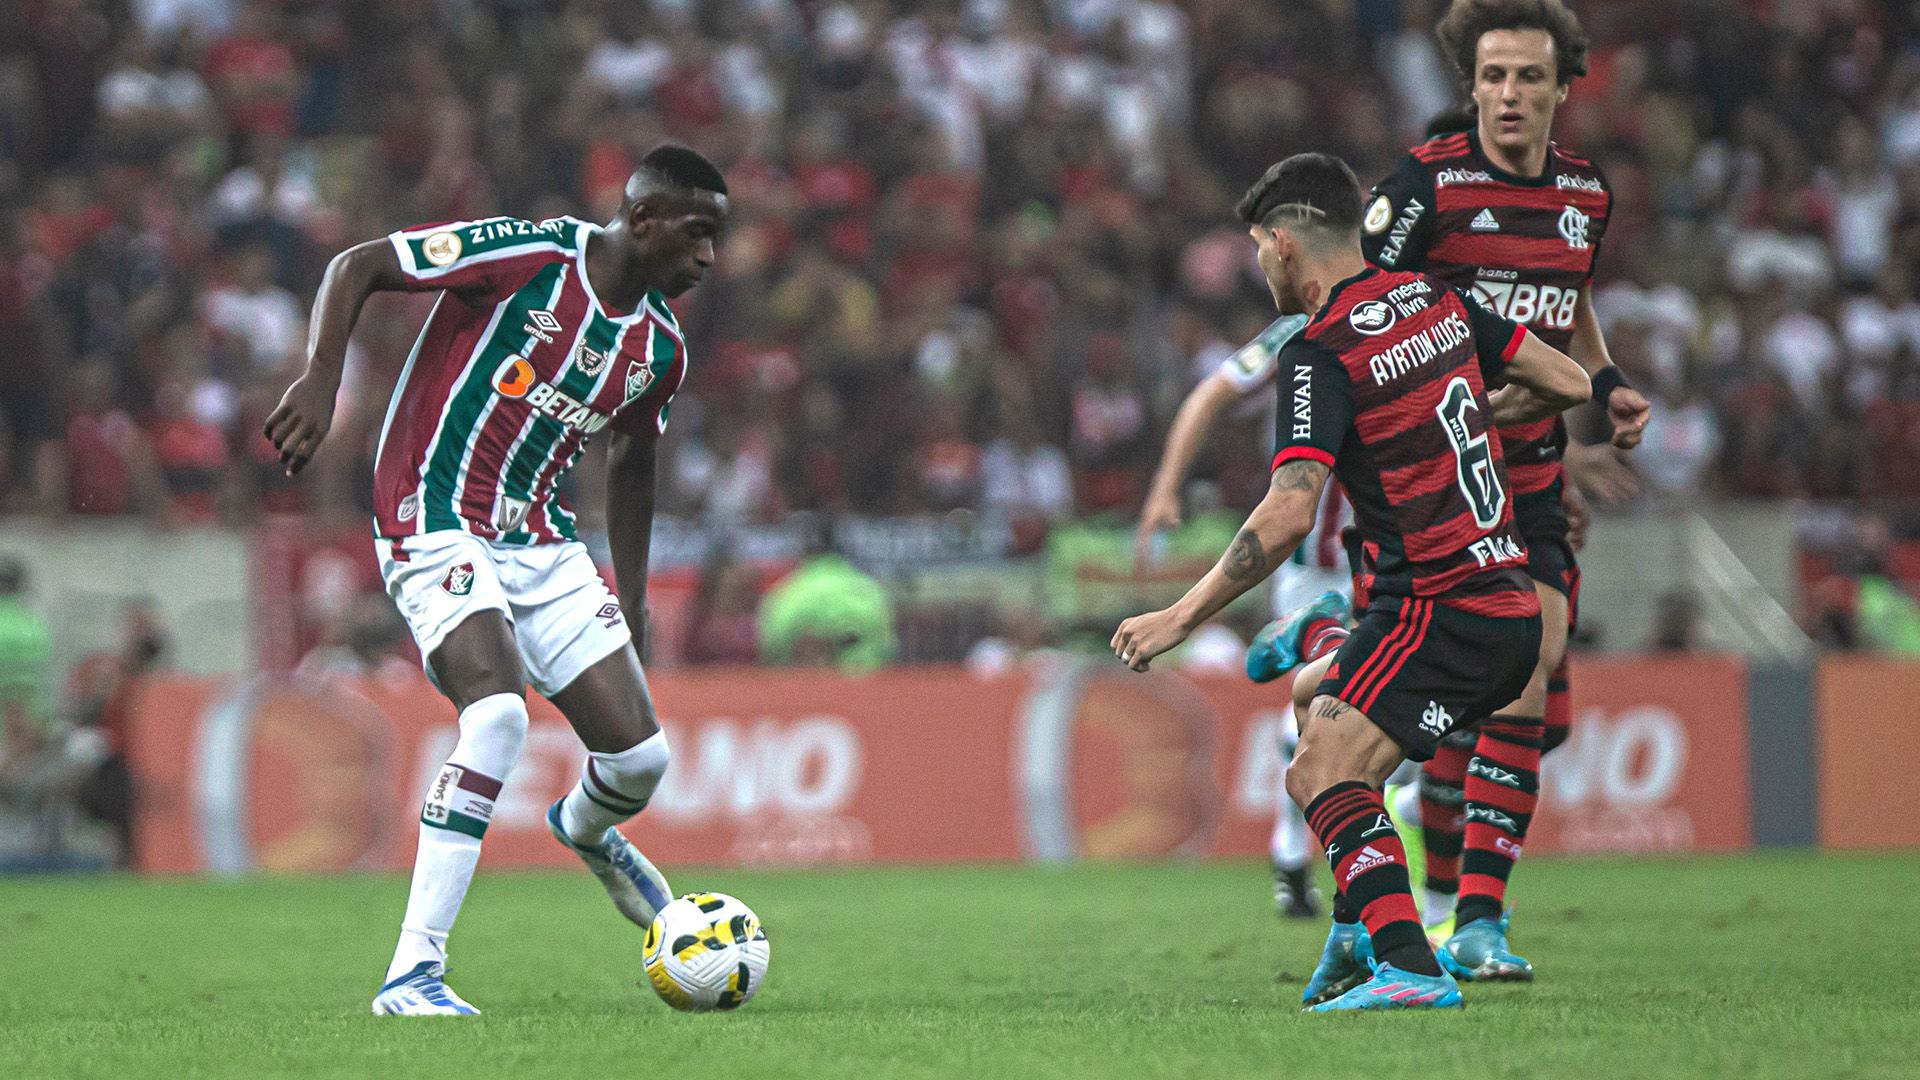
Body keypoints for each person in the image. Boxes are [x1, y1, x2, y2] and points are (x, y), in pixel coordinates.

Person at [1110, 152, 1589, 1011]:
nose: (1260, 264)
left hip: (1437, 611)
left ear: (1285, 244)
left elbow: (1289, 515)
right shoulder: (1437, 301)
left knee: (1319, 776)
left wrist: (1179, 616)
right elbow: (1567, 380)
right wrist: (1467, 417)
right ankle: (1352, 932)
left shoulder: (1321, 352)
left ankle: (1407, 967)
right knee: (1311, 702)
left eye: (1259, 247)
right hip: (1507, 597)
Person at [265, 145, 728, 1016]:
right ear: (643, 220)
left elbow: (634, 459)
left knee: (639, 760)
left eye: (718, 240)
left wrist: (630, 598)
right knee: (499, 716)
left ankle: (584, 829)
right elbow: (359, 263)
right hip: (431, 511)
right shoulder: (533, 257)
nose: (708, 257)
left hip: (542, 541)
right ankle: (412, 975)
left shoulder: (659, 348)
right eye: (697, 234)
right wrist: (322, 377)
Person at [1358, 0, 1650, 974]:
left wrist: (1602, 385)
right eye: (1492, 78)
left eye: (1529, 78)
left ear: (1565, 86)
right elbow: (1361, 317)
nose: (1509, 96)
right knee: (1457, 708)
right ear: (1470, 85)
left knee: (1531, 678)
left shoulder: (1584, 196)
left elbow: (1569, 301)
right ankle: (1439, 896)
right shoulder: (1426, 186)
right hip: (1436, 490)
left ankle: (1479, 926)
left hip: (1530, 480)